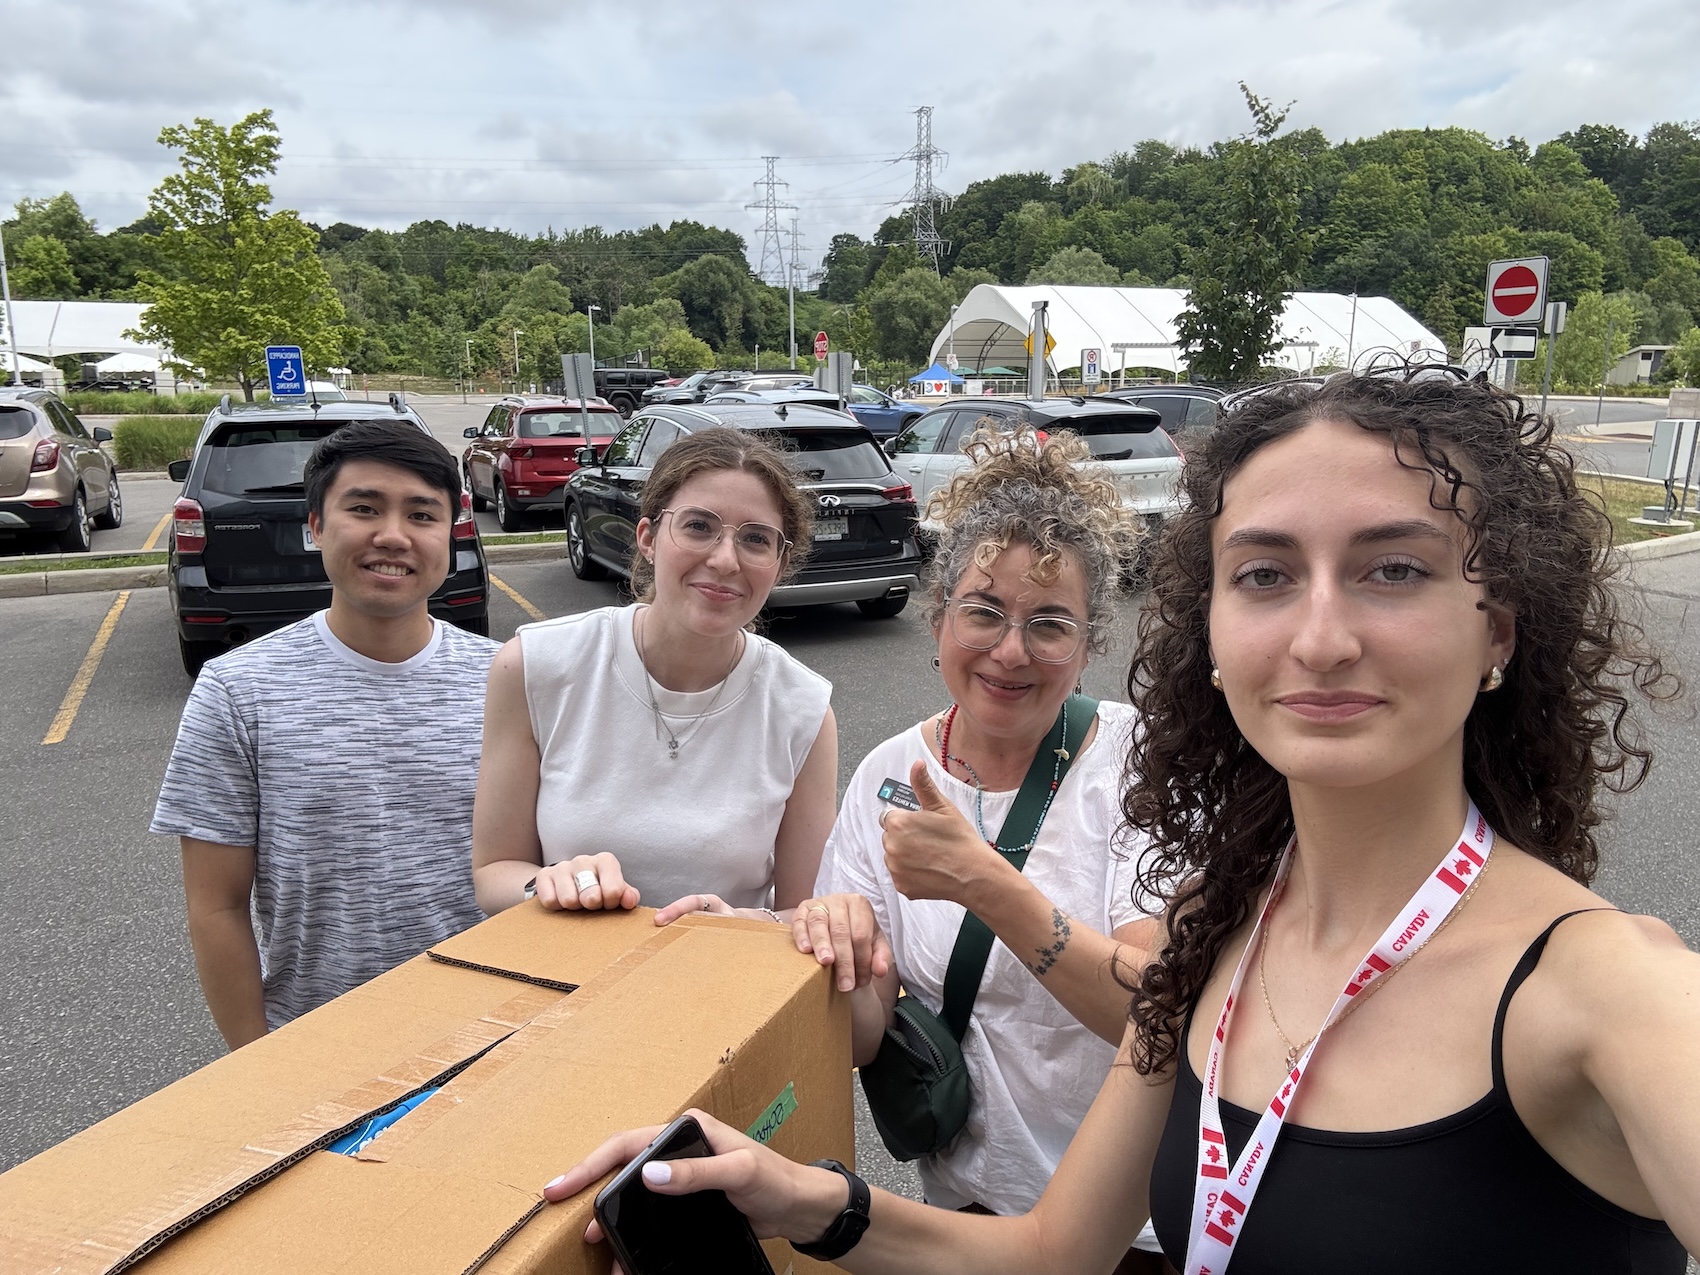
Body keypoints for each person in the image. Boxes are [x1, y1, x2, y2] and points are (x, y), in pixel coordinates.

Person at [543, 369, 1700, 1272]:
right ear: (1207, 628)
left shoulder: (1608, 991)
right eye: (1262, 575)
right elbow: (1051, 1254)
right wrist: (792, 1194)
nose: (1319, 635)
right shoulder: (1224, 929)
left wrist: (982, 883)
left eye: (1392, 569)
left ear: (1499, 626)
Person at [792, 428, 1161, 1266]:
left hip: (1126, 1231)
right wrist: (834, 944)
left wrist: (982, 880)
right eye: (984, 611)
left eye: (1049, 624)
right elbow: (858, 1038)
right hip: (962, 1212)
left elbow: (1158, 1013)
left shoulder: (1140, 766)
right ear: (940, 613)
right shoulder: (889, 774)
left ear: (1091, 644)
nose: (1009, 650)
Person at [152, 421, 499, 1049]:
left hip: (501, 1031)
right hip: (317, 1043)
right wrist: (259, 1064)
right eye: (363, 508)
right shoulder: (237, 691)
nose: (392, 535)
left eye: (422, 515)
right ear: (315, 526)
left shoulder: (509, 679)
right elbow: (216, 907)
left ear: (451, 534)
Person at [472, 427, 837, 927]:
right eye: (698, 526)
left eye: (756, 539)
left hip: (716, 988)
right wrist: (548, 883)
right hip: (563, 983)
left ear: (779, 564)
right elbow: (495, 871)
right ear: (647, 538)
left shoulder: (803, 708)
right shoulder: (536, 665)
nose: (725, 559)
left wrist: (737, 924)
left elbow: (806, 912)